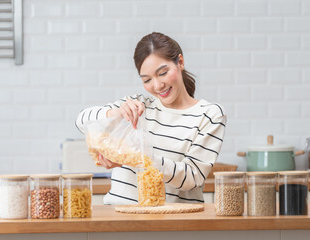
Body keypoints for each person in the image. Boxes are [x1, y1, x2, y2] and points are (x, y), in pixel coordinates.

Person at [76, 32, 226, 205]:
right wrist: (116, 113)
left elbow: (192, 177)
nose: (157, 85)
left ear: (180, 62)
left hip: (171, 221)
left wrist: (139, 158)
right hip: (118, 216)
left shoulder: (209, 114)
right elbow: (82, 121)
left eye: (163, 73)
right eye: (147, 80)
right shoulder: (139, 105)